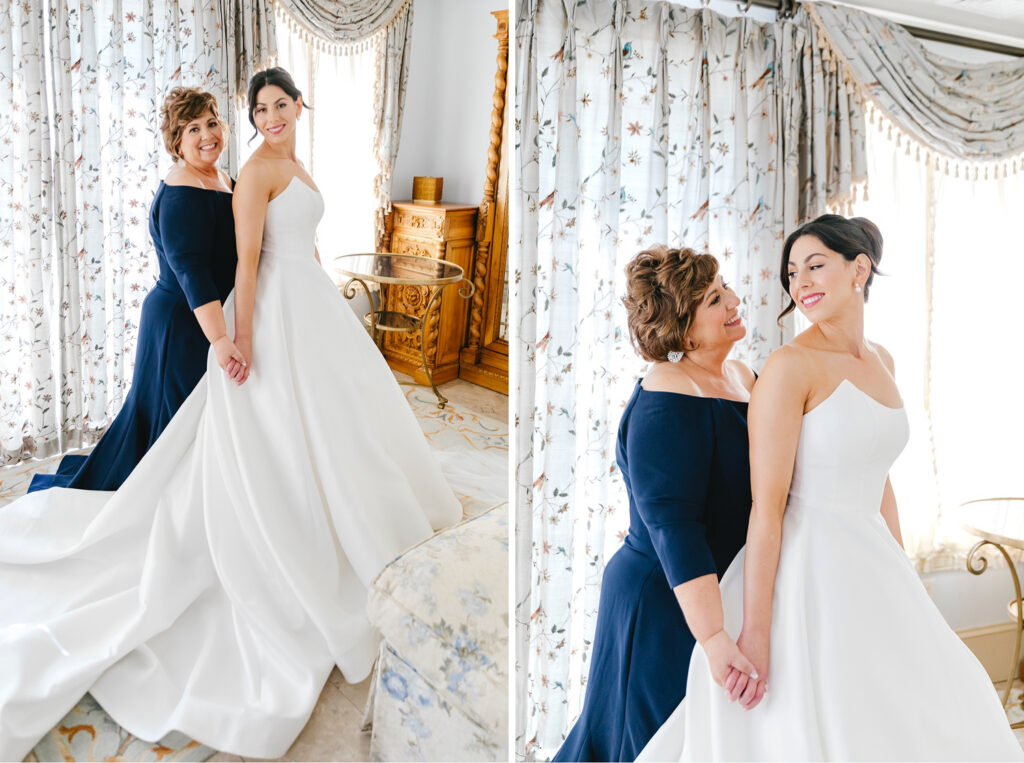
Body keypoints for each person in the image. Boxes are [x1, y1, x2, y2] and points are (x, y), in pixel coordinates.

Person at [0, 66, 463, 760]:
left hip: (293, 307)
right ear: (179, 141)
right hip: (195, 321)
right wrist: (232, 340)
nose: (219, 131)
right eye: (202, 127)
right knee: (181, 440)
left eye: (220, 120)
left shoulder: (253, 169)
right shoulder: (220, 183)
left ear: (298, 108)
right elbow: (226, 266)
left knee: (292, 429)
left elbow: (283, 244)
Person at [638, 215, 1023, 761]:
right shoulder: (788, 366)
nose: (801, 284)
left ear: (859, 269)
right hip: (807, 569)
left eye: (815, 266)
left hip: (872, 561)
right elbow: (766, 511)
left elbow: (879, 476)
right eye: (792, 274)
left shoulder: (883, 360)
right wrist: (756, 632)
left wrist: (903, 567)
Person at [555, 245, 758, 762]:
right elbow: (676, 528)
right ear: (685, 331)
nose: (734, 300)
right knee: (648, 743)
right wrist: (712, 636)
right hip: (665, 602)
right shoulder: (666, 400)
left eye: (725, 287)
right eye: (715, 299)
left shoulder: (743, 377)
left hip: (716, 590)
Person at [28, 87, 244, 492]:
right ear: (176, 142)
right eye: (192, 128)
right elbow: (192, 271)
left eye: (212, 123)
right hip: (182, 324)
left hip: (206, 315)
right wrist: (219, 338)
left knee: (196, 421)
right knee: (173, 426)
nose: (206, 135)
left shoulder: (221, 177)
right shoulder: (182, 190)